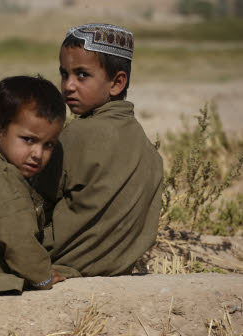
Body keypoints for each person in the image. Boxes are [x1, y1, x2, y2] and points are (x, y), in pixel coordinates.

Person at [35, 23, 163, 278]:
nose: (68, 85)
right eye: (64, 74)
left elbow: (34, 199)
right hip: (117, 269)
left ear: (116, 83)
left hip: (59, 261)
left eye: (82, 75)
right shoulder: (148, 149)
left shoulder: (78, 135)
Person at [0, 76, 68, 294]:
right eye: (28, 140)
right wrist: (41, 275)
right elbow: (17, 241)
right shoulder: (3, 180)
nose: (38, 154)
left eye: (48, 145)